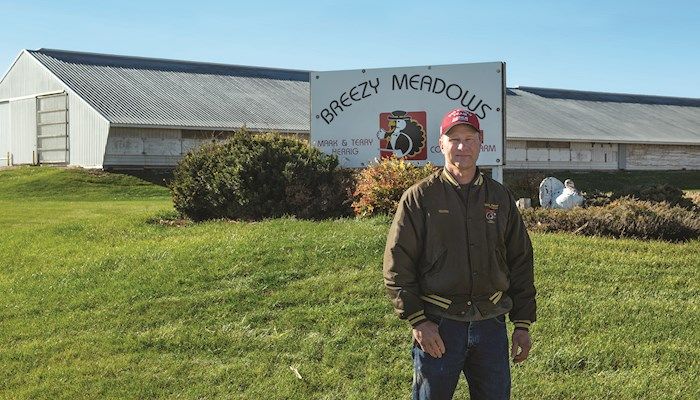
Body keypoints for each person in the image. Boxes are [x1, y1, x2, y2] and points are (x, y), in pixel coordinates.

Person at [383, 108, 537, 399]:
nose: (462, 147)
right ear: (441, 144)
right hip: (438, 326)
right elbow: (397, 264)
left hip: (490, 323)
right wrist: (417, 320)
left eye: (469, 138)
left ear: (481, 141)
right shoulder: (419, 198)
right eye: (454, 140)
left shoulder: (499, 196)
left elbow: (520, 261)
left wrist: (522, 323)